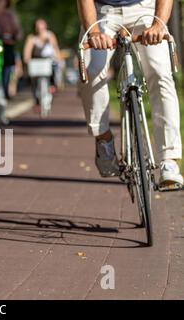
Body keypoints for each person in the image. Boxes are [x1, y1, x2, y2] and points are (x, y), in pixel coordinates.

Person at [77, 0, 183, 188]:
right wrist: (93, 33)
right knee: (91, 70)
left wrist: (159, 24)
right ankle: (104, 140)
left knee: (160, 73)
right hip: (103, 12)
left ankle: (169, 160)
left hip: (146, 8)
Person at [23, 19, 62, 106]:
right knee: (33, 78)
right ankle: (36, 95)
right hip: (36, 61)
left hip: (48, 60)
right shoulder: (32, 38)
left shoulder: (50, 35)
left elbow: (55, 47)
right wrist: (27, 59)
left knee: (54, 72)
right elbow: (27, 50)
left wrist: (58, 58)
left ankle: (53, 86)